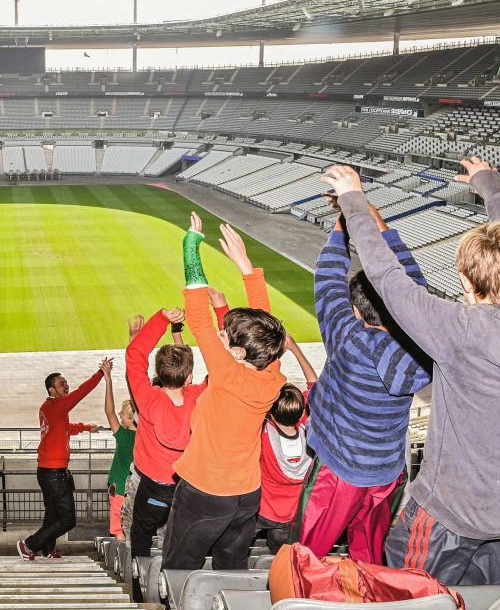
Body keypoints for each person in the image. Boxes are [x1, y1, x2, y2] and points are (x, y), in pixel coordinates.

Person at [325, 159, 500, 585]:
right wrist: (490, 187)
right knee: (479, 596)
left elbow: (386, 278)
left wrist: (353, 198)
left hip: (452, 513)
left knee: (409, 592)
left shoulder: (458, 331)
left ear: (466, 283)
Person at [291, 202, 431, 564]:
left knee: (303, 556)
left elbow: (327, 279)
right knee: (369, 556)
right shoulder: (420, 346)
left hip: (337, 473)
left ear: (357, 312)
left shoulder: (348, 336)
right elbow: (416, 292)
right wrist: (375, 219)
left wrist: (344, 220)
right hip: (386, 472)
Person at [163, 213, 288, 571]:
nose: (221, 333)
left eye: (227, 335)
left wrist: (191, 246)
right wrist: (246, 266)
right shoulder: (271, 371)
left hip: (205, 492)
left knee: (178, 564)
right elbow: (265, 325)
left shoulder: (227, 374)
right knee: (231, 567)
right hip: (247, 495)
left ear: (236, 354)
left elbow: (198, 317)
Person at [125, 309, 204, 558]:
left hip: (152, 488)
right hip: (188, 487)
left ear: (158, 375)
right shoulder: (200, 398)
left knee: (141, 536)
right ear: (189, 377)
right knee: (181, 539)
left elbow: (134, 356)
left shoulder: (149, 400)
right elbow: (226, 373)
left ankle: (140, 587)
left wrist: (162, 319)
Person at [17, 361, 107, 561]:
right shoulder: (56, 405)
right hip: (54, 473)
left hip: (48, 470)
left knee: (52, 514)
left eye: (66, 382)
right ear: (52, 390)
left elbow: (64, 427)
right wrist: (101, 373)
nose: (66, 386)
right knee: (68, 519)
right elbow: (81, 392)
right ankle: (28, 545)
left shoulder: (51, 407)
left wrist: (86, 427)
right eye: (61, 384)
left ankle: (47, 550)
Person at [256, 336, 317, 555]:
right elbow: (315, 386)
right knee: (278, 554)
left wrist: (274, 355)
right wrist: (295, 349)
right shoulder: (310, 433)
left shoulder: (263, 433)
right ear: (302, 412)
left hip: (261, 510)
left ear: (270, 412)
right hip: (292, 516)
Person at [103, 359, 136, 541]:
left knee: (118, 530)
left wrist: (108, 379)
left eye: (123, 414)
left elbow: (109, 411)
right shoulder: (145, 437)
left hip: (120, 490)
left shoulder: (124, 437)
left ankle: (124, 565)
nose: (120, 415)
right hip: (137, 491)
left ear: (130, 419)